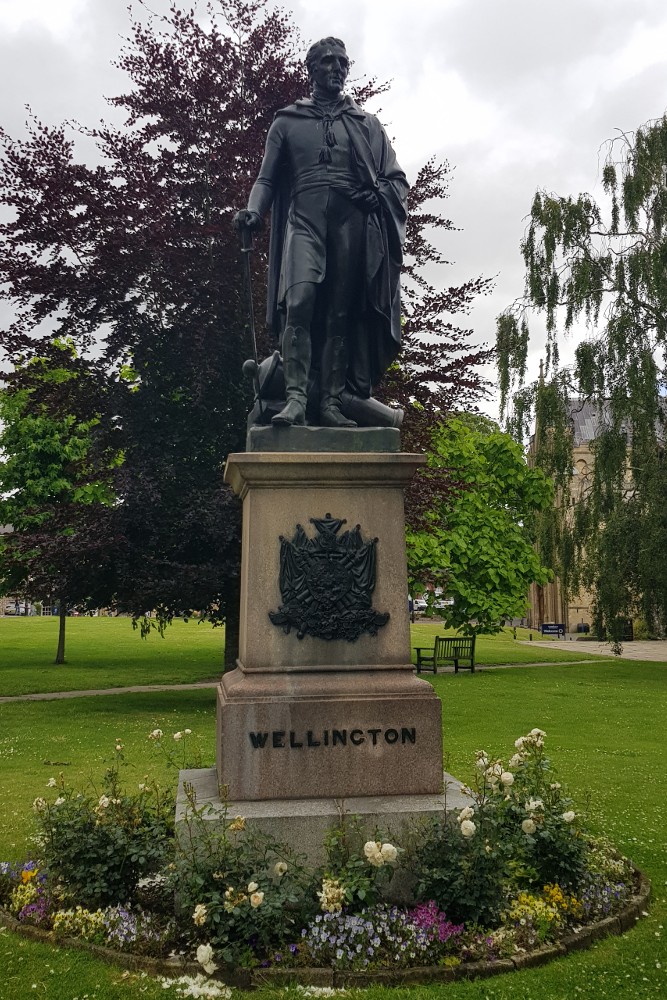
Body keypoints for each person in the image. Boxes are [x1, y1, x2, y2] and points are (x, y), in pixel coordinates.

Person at [234, 37, 409, 428]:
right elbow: (266, 179)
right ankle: (295, 399)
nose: (337, 69)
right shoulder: (287, 122)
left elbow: (395, 180)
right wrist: (252, 212)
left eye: (343, 63)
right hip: (305, 223)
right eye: (328, 62)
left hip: (350, 227)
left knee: (340, 315)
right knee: (299, 302)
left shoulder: (365, 125)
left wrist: (376, 193)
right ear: (311, 69)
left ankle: (330, 403)